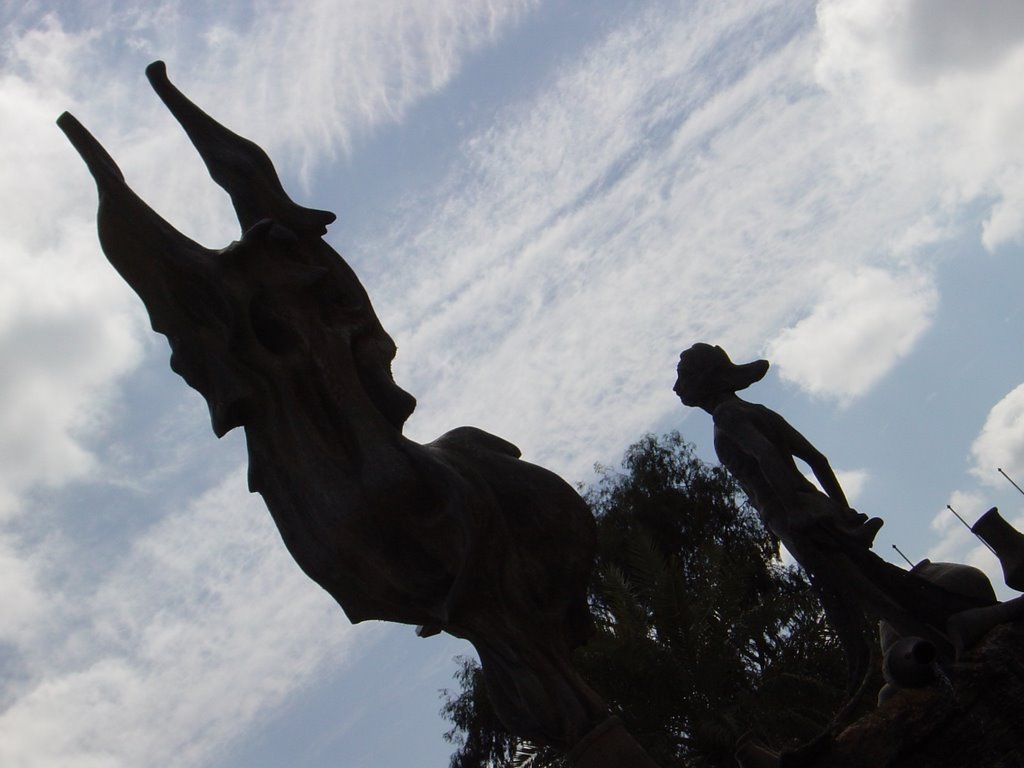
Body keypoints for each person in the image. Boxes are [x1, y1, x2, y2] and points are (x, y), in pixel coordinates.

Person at [672, 343, 883, 556]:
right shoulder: (760, 412)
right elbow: (818, 460)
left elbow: (766, 454)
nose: (677, 387)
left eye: (684, 376)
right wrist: (845, 513)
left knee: (845, 582)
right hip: (819, 505)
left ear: (706, 377)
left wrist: (795, 510)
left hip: (789, 517)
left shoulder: (726, 415)